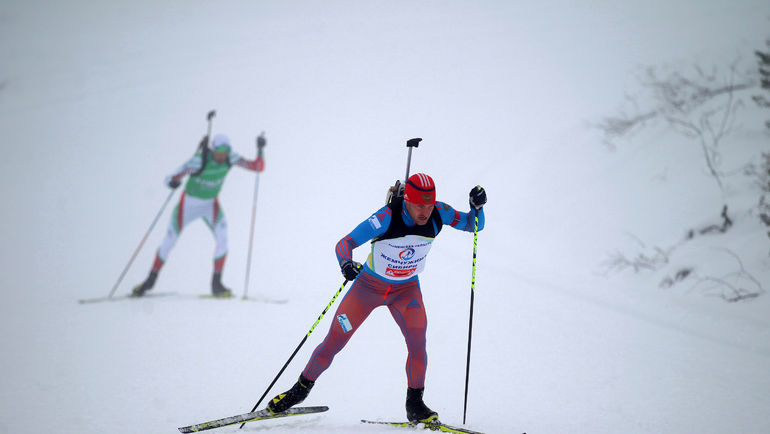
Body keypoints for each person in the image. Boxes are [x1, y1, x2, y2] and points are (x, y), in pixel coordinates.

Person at [266, 173, 486, 423]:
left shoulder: (440, 211)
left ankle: (415, 404)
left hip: (406, 292)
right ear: (407, 201)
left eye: (428, 204)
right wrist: (346, 264)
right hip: (367, 290)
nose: (424, 211)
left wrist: (476, 207)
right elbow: (345, 243)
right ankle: (300, 390)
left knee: (418, 344)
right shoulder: (385, 217)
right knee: (334, 342)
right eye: (418, 205)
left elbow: (473, 224)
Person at [131, 133, 265, 297]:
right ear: (213, 149)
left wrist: (260, 149)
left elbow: (258, 167)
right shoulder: (198, 161)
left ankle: (217, 284)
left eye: (226, 150)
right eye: (220, 151)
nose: (223, 154)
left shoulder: (231, 158)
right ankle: (149, 281)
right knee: (169, 242)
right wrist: (173, 182)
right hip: (187, 206)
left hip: (210, 205)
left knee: (223, 238)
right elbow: (170, 178)